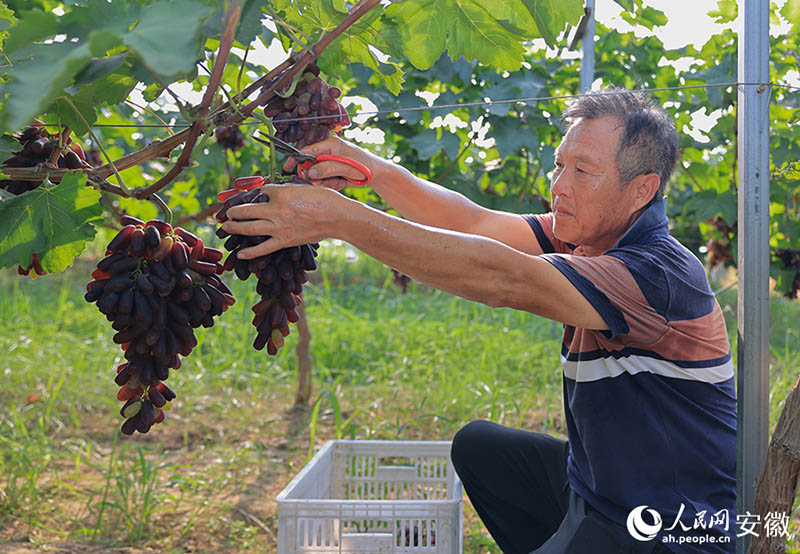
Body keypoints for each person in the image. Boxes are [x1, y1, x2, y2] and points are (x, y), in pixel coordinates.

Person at [221, 89, 736, 554]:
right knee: (481, 448)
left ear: (641, 190)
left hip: (664, 526)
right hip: (603, 485)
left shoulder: (655, 273)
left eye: (583, 171)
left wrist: (338, 218)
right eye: (559, 164)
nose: (559, 185)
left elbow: (502, 279)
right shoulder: (592, 234)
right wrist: (365, 168)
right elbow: (472, 223)